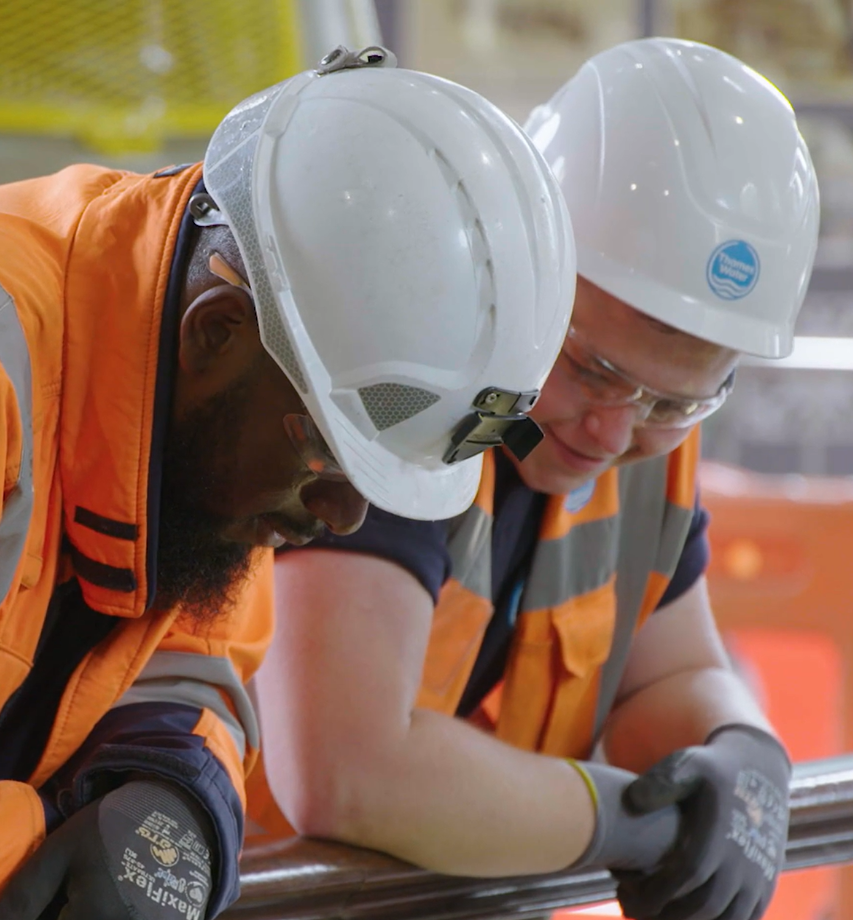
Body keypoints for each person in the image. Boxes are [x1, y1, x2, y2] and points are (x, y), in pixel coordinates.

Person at [0, 45, 576, 920]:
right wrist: (36, 844)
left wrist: (168, 801)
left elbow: (198, 666)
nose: (343, 518)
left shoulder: (199, 458)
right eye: (328, 460)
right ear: (218, 332)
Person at [256, 38, 820, 920]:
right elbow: (345, 768)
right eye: (592, 368)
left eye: (675, 401)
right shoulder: (395, 394)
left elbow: (665, 678)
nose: (615, 430)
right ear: (516, 265)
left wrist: (741, 750)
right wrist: (613, 823)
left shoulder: (644, 445)